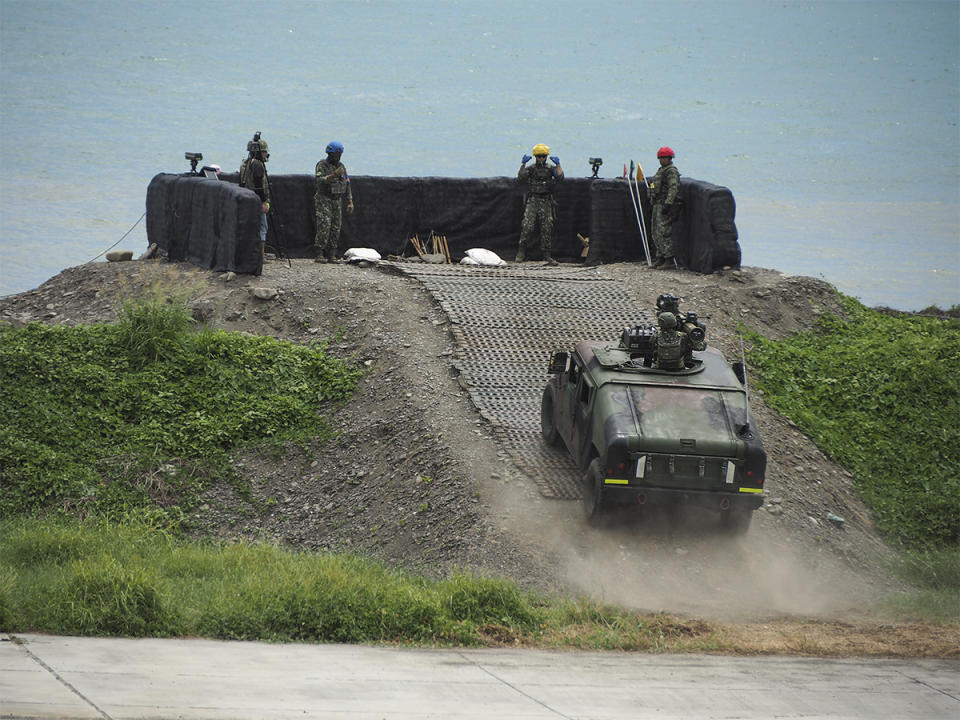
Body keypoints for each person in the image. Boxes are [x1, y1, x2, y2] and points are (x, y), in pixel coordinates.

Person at [517, 143, 563, 265]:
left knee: (547, 226)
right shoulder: (532, 169)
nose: (541, 158)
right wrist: (523, 165)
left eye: (543, 156)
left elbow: (560, 178)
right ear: (535, 157)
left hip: (546, 200)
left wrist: (558, 165)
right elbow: (521, 178)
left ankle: (547, 254)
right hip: (533, 200)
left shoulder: (550, 169)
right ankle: (521, 251)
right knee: (527, 225)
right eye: (539, 156)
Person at [314, 141, 354, 263]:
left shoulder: (341, 166)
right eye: (337, 154)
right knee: (324, 225)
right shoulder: (322, 165)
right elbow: (319, 180)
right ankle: (319, 253)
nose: (338, 157)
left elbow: (347, 183)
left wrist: (350, 200)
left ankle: (332, 253)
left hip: (336, 200)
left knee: (336, 227)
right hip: (324, 199)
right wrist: (332, 176)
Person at [239, 133, 271, 266]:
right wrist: (264, 201)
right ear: (259, 152)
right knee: (262, 228)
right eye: (265, 152)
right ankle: (260, 256)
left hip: (246, 199)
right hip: (256, 200)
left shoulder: (245, 164)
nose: (266, 155)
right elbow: (259, 184)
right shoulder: (257, 165)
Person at [649, 146, 680, 269]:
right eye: (660, 158)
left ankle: (669, 259)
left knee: (663, 231)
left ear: (669, 158)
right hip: (657, 203)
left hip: (664, 204)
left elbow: (673, 188)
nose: (661, 160)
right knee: (655, 231)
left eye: (664, 158)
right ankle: (660, 257)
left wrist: (668, 203)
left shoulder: (671, 171)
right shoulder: (661, 170)